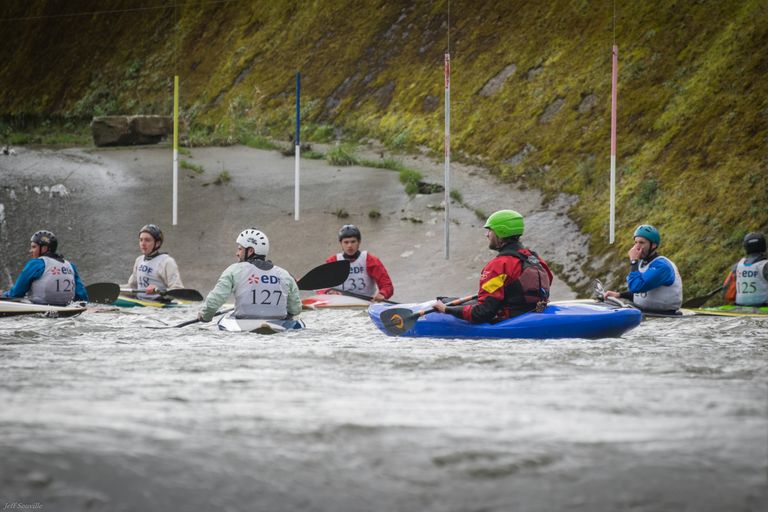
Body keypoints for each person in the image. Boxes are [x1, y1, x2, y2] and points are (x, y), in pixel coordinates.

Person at [434, 210, 552, 322]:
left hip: (508, 319)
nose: (487, 235)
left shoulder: (499, 265)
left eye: (490, 230)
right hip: (533, 311)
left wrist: (446, 310)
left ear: (500, 232)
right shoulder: (536, 260)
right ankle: (445, 301)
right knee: (449, 300)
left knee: (447, 304)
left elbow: (483, 312)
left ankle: (443, 304)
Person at [198, 228, 301, 322]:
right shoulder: (285, 275)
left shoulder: (234, 270)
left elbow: (215, 299)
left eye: (240, 249)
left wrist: (205, 316)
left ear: (250, 250)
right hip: (279, 325)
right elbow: (295, 309)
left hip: (243, 325)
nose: (237, 253)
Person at [604, 224, 683, 312]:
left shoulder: (662, 266)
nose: (637, 247)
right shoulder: (642, 263)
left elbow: (636, 287)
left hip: (666, 316)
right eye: (636, 242)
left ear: (653, 245)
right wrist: (619, 295)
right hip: (644, 311)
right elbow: (642, 294)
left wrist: (633, 261)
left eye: (641, 243)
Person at [1, 230, 88, 305]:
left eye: (34, 247)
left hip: (40, 307)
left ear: (44, 248)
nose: (30, 251)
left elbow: (16, 293)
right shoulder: (70, 265)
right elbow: (82, 296)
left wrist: (3, 295)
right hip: (67, 308)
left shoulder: (36, 264)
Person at [323, 224, 394, 302]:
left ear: (359, 242)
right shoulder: (333, 261)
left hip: (365, 303)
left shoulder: (370, 260)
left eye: (353, 242)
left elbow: (387, 286)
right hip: (339, 304)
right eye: (346, 242)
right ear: (341, 243)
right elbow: (320, 285)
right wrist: (328, 291)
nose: (349, 246)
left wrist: (382, 294)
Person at [127, 224, 184, 300]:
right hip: (139, 304)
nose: (143, 244)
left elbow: (178, 290)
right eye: (141, 240)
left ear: (157, 243)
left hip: (158, 306)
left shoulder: (167, 262)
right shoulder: (139, 260)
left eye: (147, 240)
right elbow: (132, 286)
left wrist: (158, 290)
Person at [722, 232, 767, 306]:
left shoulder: (737, 266)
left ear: (746, 247)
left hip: (740, 306)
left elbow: (726, 294)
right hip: (763, 306)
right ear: (763, 245)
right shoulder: (765, 265)